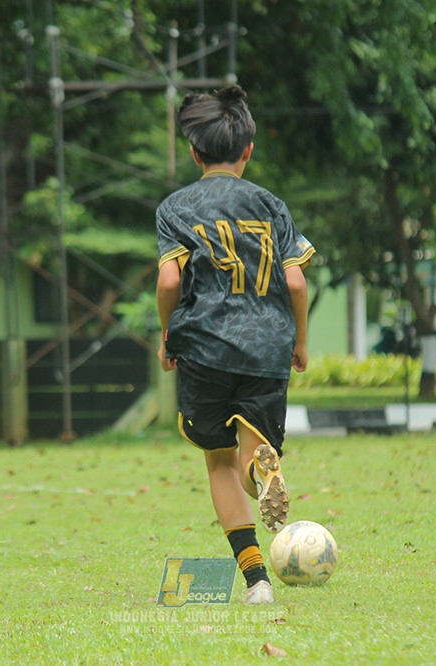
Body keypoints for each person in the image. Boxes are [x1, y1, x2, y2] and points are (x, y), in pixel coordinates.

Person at [155, 85, 315, 604]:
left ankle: (257, 583)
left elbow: (168, 283)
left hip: (204, 346)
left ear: (196, 153)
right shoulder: (272, 205)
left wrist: (167, 335)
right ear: (248, 150)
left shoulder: (176, 208)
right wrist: (300, 343)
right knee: (250, 455)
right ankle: (262, 468)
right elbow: (295, 283)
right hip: (268, 346)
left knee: (218, 461)